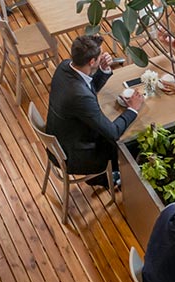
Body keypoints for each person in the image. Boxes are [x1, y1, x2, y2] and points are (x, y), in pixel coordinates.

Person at [46, 34, 145, 188]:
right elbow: (113, 132)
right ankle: (106, 178)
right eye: (99, 57)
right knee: (129, 143)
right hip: (76, 155)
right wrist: (133, 108)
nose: (102, 58)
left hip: (62, 138)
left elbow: (88, 88)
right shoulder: (79, 96)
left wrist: (103, 69)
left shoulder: (64, 66)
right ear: (92, 61)